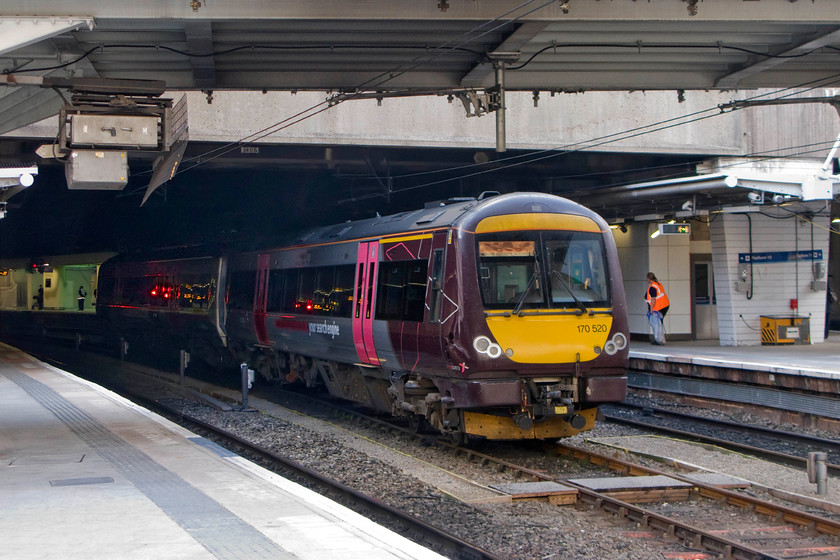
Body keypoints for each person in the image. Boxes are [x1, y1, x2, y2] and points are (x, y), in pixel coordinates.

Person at [645, 272, 670, 345]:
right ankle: (659, 338)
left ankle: (659, 340)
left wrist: (651, 309)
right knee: (659, 323)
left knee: (657, 324)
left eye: (647, 279)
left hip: (659, 307)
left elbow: (653, 299)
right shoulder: (658, 284)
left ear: (649, 279)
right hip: (665, 305)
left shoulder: (653, 287)